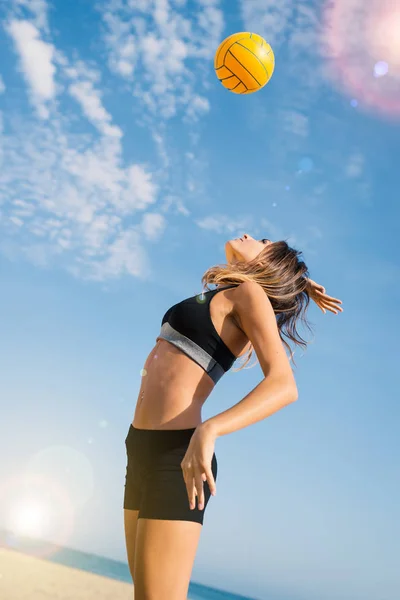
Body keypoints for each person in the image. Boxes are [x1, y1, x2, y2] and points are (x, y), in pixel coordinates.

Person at [123, 234, 343, 600]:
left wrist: (211, 428)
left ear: (271, 261)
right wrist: (299, 281)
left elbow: (284, 386)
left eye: (263, 240)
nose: (250, 236)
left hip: (178, 456)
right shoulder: (229, 291)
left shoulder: (249, 295)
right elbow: (240, 252)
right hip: (140, 448)